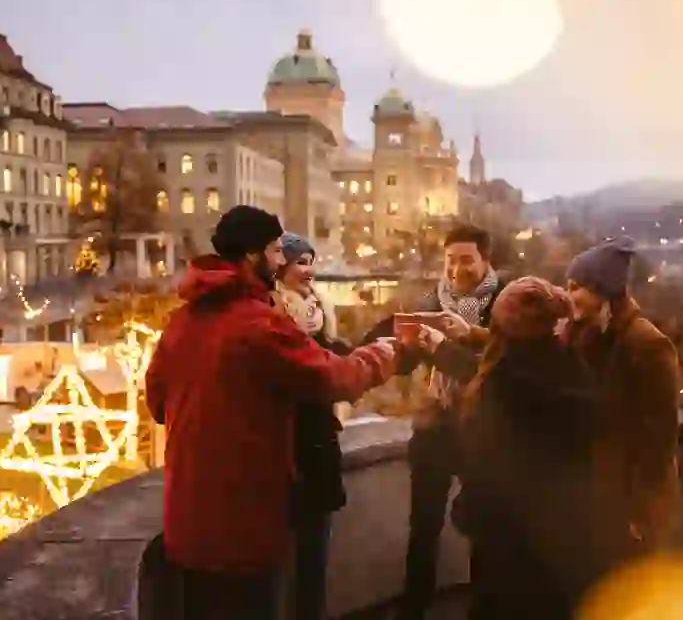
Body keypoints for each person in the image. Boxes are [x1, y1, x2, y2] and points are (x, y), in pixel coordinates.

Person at [145, 206, 400, 620]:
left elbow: (157, 403)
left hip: (186, 524)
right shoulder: (259, 324)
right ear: (252, 256)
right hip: (242, 524)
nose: (281, 261)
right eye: (276, 251)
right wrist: (387, 353)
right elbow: (335, 378)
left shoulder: (181, 321)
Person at [432, 277, 610, 620]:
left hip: (505, 540)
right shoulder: (572, 369)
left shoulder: (501, 383)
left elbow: (485, 464)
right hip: (564, 537)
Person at [366, 224, 507, 620]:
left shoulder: (504, 306)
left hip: (482, 433)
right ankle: (414, 608)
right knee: (423, 528)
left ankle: (484, 609)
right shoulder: (432, 301)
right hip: (434, 429)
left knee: (485, 529)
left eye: (466, 260)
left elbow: (487, 375)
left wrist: (443, 347)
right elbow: (410, 361)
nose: (456, 269)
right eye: (450, 260)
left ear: (485, 261)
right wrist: (396, 345)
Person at [563, 236, 680, 552]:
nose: (568, 296)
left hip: (633, 502)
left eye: (576, 287)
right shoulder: (590, 335)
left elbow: (660, 437)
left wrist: (640, 511)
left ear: (602, 290)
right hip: (603, 495)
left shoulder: (647, 344)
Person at [273, 232, 350, 620]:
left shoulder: (320, 312)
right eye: (300, 262)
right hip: (286, 444)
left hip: (318, 441)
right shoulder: (273, 316)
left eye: (310, 261)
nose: (308, 270)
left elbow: (336, 358)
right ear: (280, 267)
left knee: (314, 554)